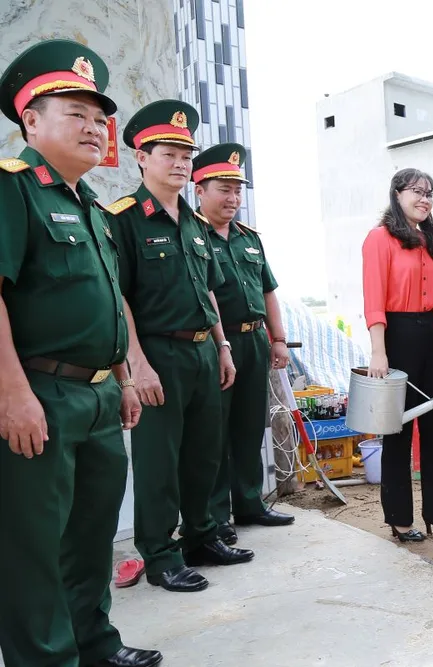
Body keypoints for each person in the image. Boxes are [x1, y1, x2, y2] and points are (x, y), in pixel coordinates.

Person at [0, 40, 161, 667]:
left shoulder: (90, 206)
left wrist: (123, 378)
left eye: (101, 118)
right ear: (30, 121)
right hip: (39, 394)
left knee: (90, 538)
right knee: (33, 547)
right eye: (77, 113)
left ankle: (94, 645)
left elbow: (110, 300)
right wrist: (12, 395)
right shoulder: (14, 190)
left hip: (97, 396)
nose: (95, 128)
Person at [106, 100, 253, 594]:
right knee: (159, 462)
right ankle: (160, 555)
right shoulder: (124, 219)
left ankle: (201, 537)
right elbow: (118, 295)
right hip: (157, 354)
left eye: (186, 154)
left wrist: (223, 347)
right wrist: (137, 365)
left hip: (202, 352)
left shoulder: (192, 222)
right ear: (141, 158)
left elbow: (208, 289)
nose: (180, 162)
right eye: (167, 152)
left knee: (203, 454)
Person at [192, 142, 294, 546]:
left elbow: (269, 291)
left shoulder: (250, 238)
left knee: (251, 425)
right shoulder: (193, 235)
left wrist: (279, 339)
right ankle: (217, 516)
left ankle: (250, 502)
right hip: (218, 342)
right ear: (199, 189)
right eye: (224, 189)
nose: (233, 198)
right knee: (215, 431)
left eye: (237, 190)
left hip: (254, 341)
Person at [362, 168, 433, 542]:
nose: (425, 199)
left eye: (430, 193)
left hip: (429, 335)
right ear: (397, 193)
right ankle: (400, 518)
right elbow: (373, 300)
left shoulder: (429, 241)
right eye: (417, 192)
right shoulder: (379, 239)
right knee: (399, 428)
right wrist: (379, 351)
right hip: (396, 336)